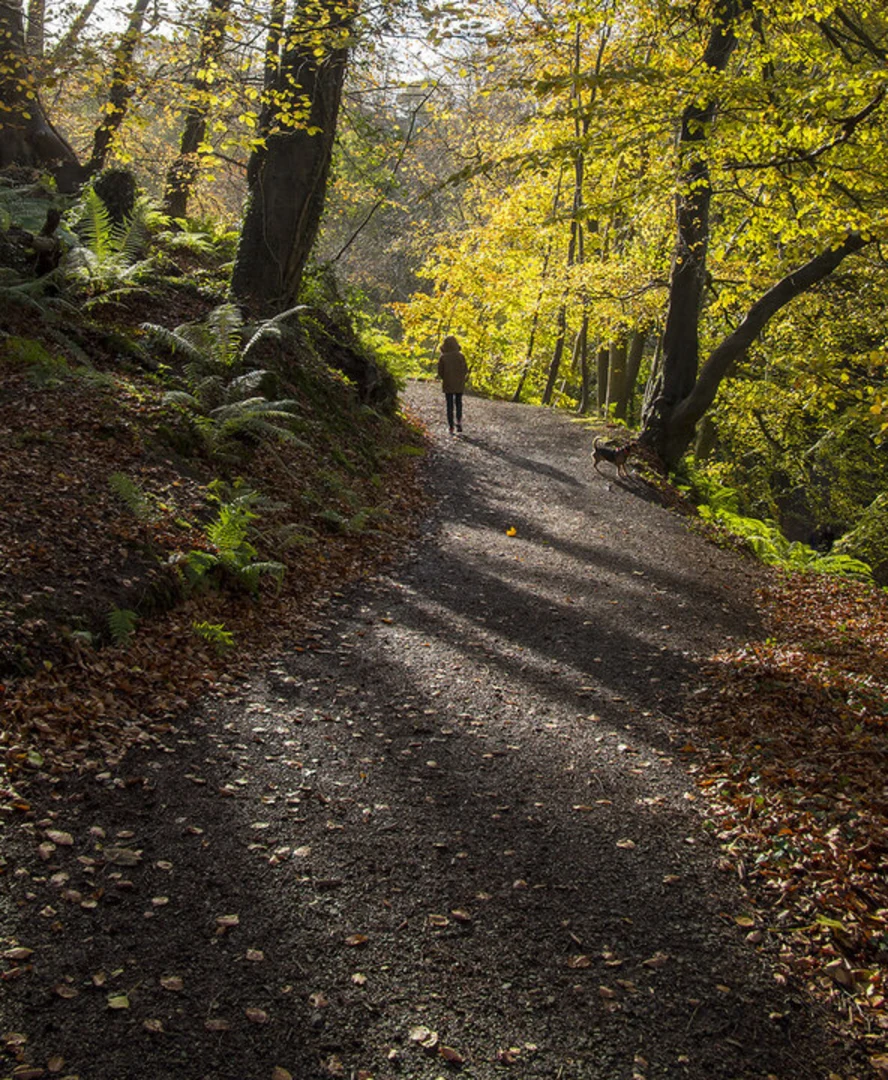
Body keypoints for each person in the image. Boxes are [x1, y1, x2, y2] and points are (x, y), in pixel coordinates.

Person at [436, 335, 469, 435]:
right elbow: (465, 369)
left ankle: (451, 427)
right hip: (459, 383)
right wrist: (461, 377)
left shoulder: (443, 357)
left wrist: (446, 378)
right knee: (459, 402)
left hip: (448, 383)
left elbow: (440, 372)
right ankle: (458, 421)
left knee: (449, 405)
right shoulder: (461, 356)